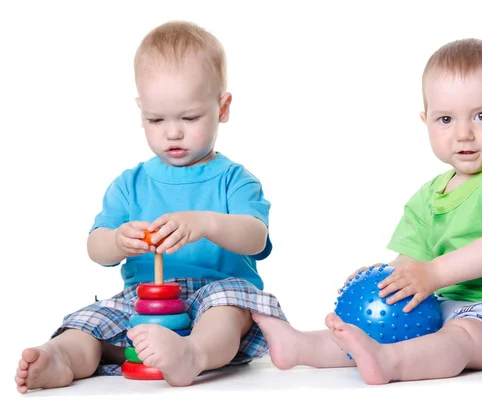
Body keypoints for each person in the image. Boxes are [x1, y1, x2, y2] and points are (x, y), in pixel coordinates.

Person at [253, 38, 482, 384]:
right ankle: (302, 346)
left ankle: (391, 363)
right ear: (426, 121)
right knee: (387, 321)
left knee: (460, 338)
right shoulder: (429, 195)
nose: (464, 134)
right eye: (445, 119)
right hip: (451, 306)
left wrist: (432, 274)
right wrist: (387, 281)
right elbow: (411, 264)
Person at [15, 21, 286, 393]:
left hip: (214, 293)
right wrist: (117, 241)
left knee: (227, 308)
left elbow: (256, 238)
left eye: (190, 118)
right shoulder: (129, 184)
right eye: (156, 119)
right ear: (140, 110)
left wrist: (208, 223)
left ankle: (192, 354)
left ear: (222, 108)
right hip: (144, 299)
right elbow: (96, 248)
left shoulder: (235, 179)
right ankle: (61, 358)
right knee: (91, 322)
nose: (172, 132)